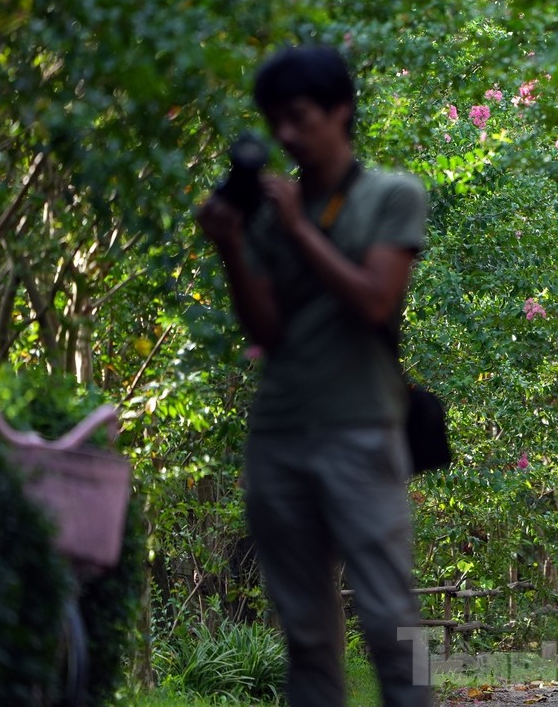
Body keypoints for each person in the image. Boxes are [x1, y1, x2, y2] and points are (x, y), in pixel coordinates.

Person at [195, 45, 429, 707]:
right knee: (304, 628)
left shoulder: (391, 194)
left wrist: (299, 228)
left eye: (299, 117)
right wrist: (233, 246)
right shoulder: (268, 213)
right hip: (278, 431)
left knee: (392, 615)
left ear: (341, 110)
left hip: (362, 425)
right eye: (276, 122)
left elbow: (373, 300)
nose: (286, 137)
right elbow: (264, 329)